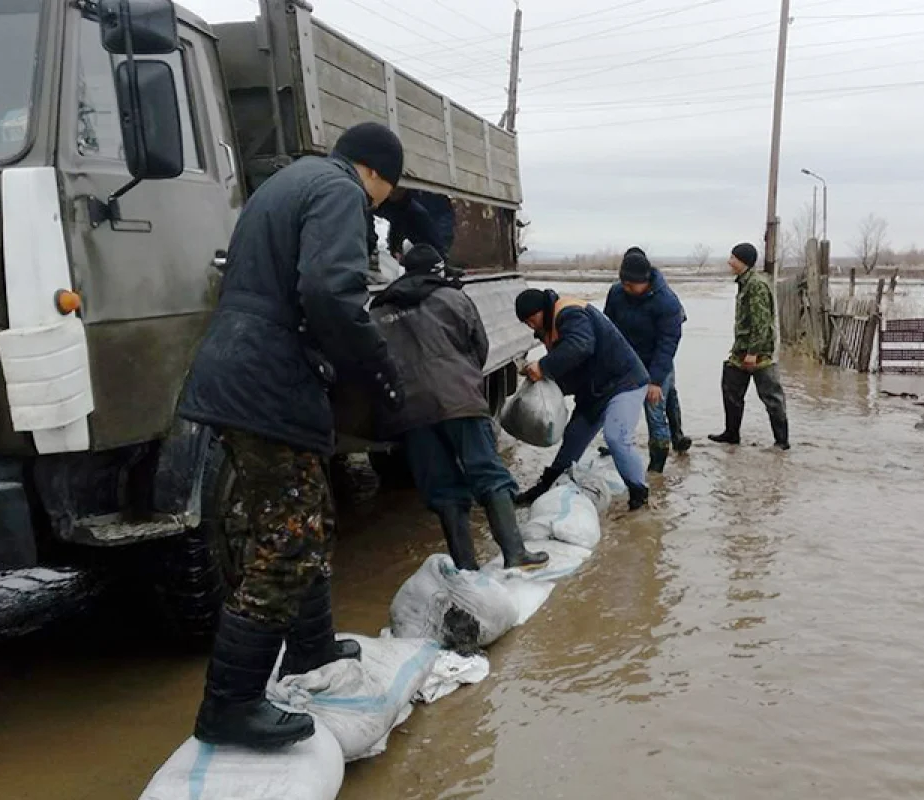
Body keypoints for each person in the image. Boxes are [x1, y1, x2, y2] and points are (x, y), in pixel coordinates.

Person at [178, 122, 407, 749]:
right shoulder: (341, 192)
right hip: (264, 381)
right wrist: (379, 373)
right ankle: (229, 705)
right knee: (288, 541)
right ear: (377, 174)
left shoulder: (291, 181)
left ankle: (310, 649)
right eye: (387, 194)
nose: (381, 208)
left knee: (311, 518)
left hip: (247, 371)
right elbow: (330, 293)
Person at [371, 244, 549, 571]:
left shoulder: (378, 309)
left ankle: (466, 568)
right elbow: (479, 347)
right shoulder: (453, 298)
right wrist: (463, 379)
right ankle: (515, 553)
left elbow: (373, 361)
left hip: (409, 412)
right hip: (459, 401)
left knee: (441, 488)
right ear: (437, 270)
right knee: (488, 473)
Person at [513, 288, 652, 511]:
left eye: (531, 319)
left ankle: (639, 495)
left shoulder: (569, 314)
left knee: (616, 437)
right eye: (526, 323)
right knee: (573, 437)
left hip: (624, 382)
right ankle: (545, 486)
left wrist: (544, 366)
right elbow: (572, 367)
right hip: (594, 390)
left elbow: (581, 346)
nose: (531, 325)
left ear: (542, 311)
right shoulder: (551, 326)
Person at [603, 247, 686, 473]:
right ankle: (616, 444)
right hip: (627, 362)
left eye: (632, 285)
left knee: (655, 412)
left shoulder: (666, 301)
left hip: (656, 364)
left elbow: (668, 342)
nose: (627, 289)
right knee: (615, 404)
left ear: (645, 280)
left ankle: (656, 471)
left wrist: (656, 381)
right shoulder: (617, 293)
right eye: (624, 284)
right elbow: (608, 328)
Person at [710, 243, 791, 449]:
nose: (729, 262)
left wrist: (753, 352)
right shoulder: (745, 283)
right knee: (730, 387)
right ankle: (731, 434)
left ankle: (782, 442)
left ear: (742, 261)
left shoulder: (756, 285)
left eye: (733, 258)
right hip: (741, 350)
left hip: (759, 353)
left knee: (771, 396)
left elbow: (761, 321)